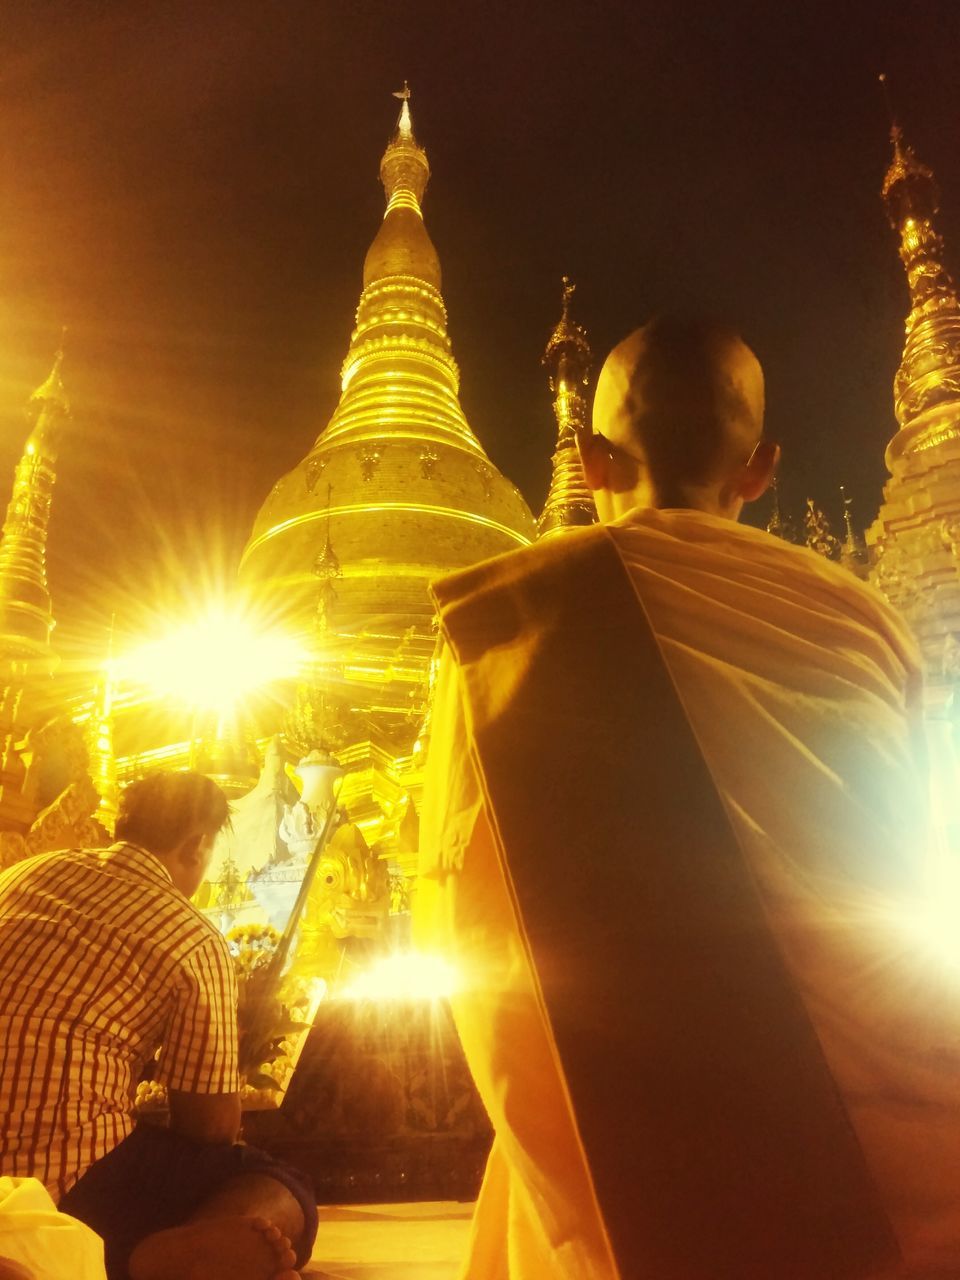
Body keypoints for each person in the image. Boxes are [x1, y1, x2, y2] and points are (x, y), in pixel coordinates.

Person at [417, 317, 960, 1279]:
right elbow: (911, 875)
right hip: (884, 1137)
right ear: (761, 468)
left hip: (617, 1131)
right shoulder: (860, 620)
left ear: (586, 460)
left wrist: (573, 1160)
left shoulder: (518, 617)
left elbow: (473, 928)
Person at [0, 770, 318, 1280]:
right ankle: (144, 1262)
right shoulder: (191, 936)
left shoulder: (21, 876)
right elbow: (209, 1127)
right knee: (282, 1184)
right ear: (196, 845)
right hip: (66, 1182)